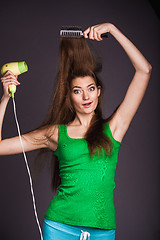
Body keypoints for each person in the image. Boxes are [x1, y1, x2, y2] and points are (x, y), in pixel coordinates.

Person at [0, 23, 152, 240]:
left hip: (103, 230)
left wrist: (113, 29)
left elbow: (144, 70)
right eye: (77, 91)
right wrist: (5, 97)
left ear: (98, 92)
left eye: (91, 89)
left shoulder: (114, 128)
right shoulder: (54, 134)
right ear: (69, 96)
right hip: (60, 227)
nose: (86, 97)